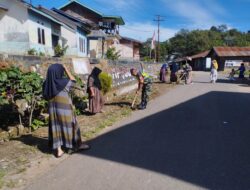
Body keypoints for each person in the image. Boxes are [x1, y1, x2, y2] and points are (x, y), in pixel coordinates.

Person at [43, 64, 90, 158]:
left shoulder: (46, 84)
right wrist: (66, 68)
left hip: (53, 111)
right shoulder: (63, 82)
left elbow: (45, 96)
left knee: (56, 128)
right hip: (65, 110)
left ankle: (59, 150)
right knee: (73, 126)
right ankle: (78, 145)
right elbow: (73, 80)